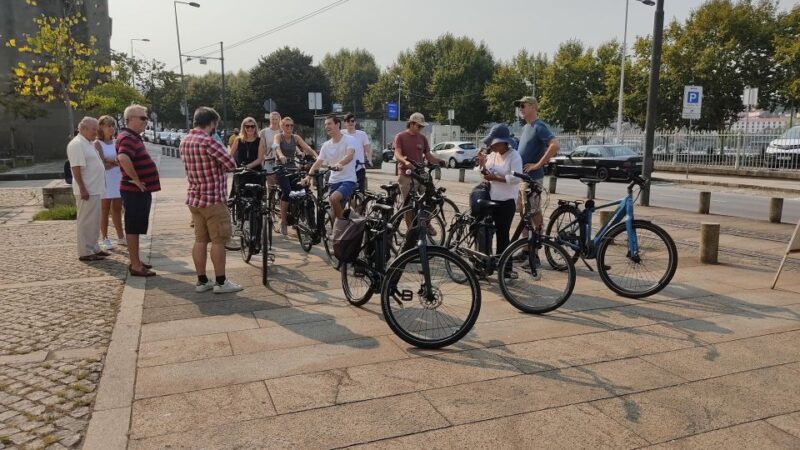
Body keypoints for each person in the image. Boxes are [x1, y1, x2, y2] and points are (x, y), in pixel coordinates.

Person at [180, 106, 242, 294]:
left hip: (194, 199)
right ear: (212, 123)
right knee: (218, 240)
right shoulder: (209, 142)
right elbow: (231, 164)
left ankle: (201, 281)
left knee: (200, 240)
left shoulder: (185, 140)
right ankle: (221, 282)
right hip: (213, 199)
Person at [117, 104, 160, 277]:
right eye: (143, 118)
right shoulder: (128, 137)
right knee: (133, 228)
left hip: (137, 192)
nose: (146, 121)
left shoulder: (132, 137)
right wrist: (136, 180)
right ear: (130, 119)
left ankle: (136, 260)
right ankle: (135, 265)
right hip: (133, 191)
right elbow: (123, 157)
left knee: (136, 227)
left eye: (146, 118)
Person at [475, 124, 523, 261]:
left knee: (503, 234)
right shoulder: (493, 155)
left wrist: (495, 178)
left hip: (506, 201)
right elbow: (485, 173)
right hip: (490, 198)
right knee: (485, 232)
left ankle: (504, 267)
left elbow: (516, 179)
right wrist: (482, 163)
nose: (492, 146)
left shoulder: (514, 156)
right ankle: (485, 262)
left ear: (504, 142)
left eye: (495, 143)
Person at [514, 96, 559, 232]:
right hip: (524, 177)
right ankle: (526, 248)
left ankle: (538, 242)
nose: (520, 109)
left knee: (534, 211)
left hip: (533, 178)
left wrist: (537, 165)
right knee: (523, 211)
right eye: (519, 106)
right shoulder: (527, 127)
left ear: (533, 107)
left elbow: (554, 145)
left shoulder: (539, 126)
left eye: (523, 106)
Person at [392, 112, 443, 232]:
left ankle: (426, 222)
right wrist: (405, 162)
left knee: (432, 197)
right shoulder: (400, 136)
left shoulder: (422, 138)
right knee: (409, 205)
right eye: (419, 126)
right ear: (411, 124)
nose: (420, 129)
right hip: (406, 174)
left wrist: (440, 161)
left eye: (422, 127)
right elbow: (397, 153)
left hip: (420, 174)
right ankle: (411, 233)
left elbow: (428, 156)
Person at [67, 117, 108, 262]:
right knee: (86, 221)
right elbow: (76, 168)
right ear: (83, 128)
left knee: (95, 221)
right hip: (87, 189)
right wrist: (83, 188)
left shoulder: (88, 143)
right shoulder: (77, 144)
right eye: (93, 129)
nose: (96, 132)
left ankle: (94, 247)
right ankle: (85, 251)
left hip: (95, 188)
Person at [302, 115, 357, 220]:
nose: (327, 126)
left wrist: (340, 163)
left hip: (348, 180)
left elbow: (350, 155)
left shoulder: (349, 139)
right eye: (325, 125)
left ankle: (341, 226)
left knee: (334, 198)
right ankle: (346, 219)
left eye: (329, 123)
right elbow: (318, 162)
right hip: (333, 181)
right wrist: (308, 177)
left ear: (337, 124)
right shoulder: (326, 145)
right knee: (333, 213)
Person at [274, 116, 317, 235]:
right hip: (281, 168)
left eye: (291, 125)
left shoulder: (296, 138)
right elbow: (276, 147)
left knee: (301, 190)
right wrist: (281, 155)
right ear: (282, 126)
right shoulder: (279, 136)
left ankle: (298, 216)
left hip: (293, 168)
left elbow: (307, 148)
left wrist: (316, 156)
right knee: (287, 193)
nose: (289, 127)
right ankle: (283, 221)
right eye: (287, 125)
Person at [94, 115, 125, 250]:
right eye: (108, 126)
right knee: (105, 209)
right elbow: (102, 163)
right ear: (101, 127)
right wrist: (114, 162)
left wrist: (112, 162)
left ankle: (120, 236)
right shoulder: (97, 143)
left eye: (113, 126)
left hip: (117, 177)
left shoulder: (117, 142)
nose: (111, 128)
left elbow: (122, 159)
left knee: (117, 209)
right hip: (105, 178)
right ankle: (105, 237)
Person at [342, 112, 371, 192]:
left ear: (355, 122)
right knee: (347, 191)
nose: (350, 123)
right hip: (346, 167)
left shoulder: (362, 134)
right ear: (345, 123)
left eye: (352, 121)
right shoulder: (341, 133)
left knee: (360, 192)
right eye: (348, 121)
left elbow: (367, 149)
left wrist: (369, 160)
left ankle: (360, 203)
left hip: (359, 166)